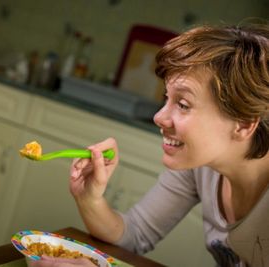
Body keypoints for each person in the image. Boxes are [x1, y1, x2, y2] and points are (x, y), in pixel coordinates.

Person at [32, 22, 269, 267]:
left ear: (242, 124)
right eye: (167, 98)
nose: (159, 117)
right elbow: (135, 234)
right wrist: (89, 199)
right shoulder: (201, 166)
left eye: (183, 104)